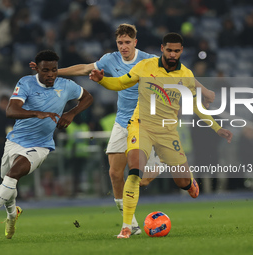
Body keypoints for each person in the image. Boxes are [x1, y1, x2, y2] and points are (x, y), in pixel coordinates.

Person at [29, 24, 215, 235]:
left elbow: (185, 77)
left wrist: (205, 91)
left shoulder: (149, 61)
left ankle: (170, 167)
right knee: (115, 173)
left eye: (127, 42)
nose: (124, 46)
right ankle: (131, 225)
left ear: (135, 42)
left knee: (143, 178)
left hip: (148, 122)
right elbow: (84, 68)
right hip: (123, 121)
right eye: (120, 43)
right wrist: (51, 72)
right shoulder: (110, 59)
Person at [89, 33, 233, 238]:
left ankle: (189, 182)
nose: (173, 54)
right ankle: (127, 227)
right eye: (169, 50)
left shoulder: (186, 75)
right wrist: (103, 81)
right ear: (162, 49)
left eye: (176, 51)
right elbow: (120, 83)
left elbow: (196, 106)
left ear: (181, 51)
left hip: (167, 131)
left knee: (182, 182)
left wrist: (217, 128)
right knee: (134, 172)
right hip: (141, 126)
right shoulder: (146, 66)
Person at [0, 50, 93, 238]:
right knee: (8, 183)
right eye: (46, 70)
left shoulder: (66, 85)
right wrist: (37, 113)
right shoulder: (26, 83)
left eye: (54, 70)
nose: (51, 74)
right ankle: (12, 215)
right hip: (15, 141)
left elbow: (88, 97)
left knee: (13, 174)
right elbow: (11, 110)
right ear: (37, 69)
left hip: (41, 144)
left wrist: (71, 113)